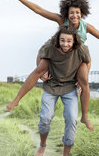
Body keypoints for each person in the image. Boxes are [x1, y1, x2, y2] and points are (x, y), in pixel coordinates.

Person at [5, 0, 99, 131]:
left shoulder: (86, 26)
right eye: (72, 12)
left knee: (86, 69)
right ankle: (17, 100)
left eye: (77, 13)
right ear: (67, 13)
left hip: (77, 55)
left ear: (82, 13)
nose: (74, 15)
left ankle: (84, 115)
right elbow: (39, 10)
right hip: (59, 49)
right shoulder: (61, 20)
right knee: (43, 51)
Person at [7, 25, 90, 156]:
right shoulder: (50, 48)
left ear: (74, 41)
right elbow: (36, 70)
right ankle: (42, 145)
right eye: (62, 40)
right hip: (51, 85)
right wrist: (16, 100)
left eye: (69, 41)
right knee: (45, 118)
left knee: (71, 119)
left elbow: (87, 62)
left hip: (70, 88)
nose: (65, 44)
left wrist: (82, 77)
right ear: (58, 40)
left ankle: (65, 154)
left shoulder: (81, 50)